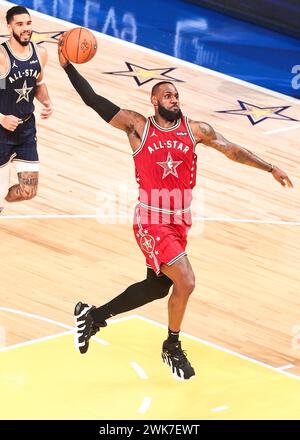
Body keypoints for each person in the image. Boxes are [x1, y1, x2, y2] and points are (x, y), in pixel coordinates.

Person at [58, 42, 293, 380]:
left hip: (179, 220)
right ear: (154, 101)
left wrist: (269, 167)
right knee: (186, 279)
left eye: (176, 95)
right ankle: (172, 345)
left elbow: (233, 151)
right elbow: (96, 102)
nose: (174, 99)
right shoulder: (138, 126)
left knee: (157, 287)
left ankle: (92, 317)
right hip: (152, 219)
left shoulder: (195, 130)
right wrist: (68, 67)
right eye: (167, 95)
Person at [0, 6, 53, 210]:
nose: (25, 28)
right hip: (2, 132)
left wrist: (47, 101)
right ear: (9, 26)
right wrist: (1, 117)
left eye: (28, 23)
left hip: (26, 131)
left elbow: (37, 84)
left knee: (28, 191)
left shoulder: (40, 54)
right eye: (20, 24)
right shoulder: (3, 59)